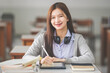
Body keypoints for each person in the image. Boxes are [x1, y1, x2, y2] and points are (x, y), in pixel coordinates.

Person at [22, 2, 95, 65]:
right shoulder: (42, 38)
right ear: (50, 21)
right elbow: (25, 57)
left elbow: (90, 58)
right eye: (53, 17)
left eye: (60, 16)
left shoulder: (78, 38)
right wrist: (40, 60)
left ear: (67, 18)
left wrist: (65, 60)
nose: (57, 20)